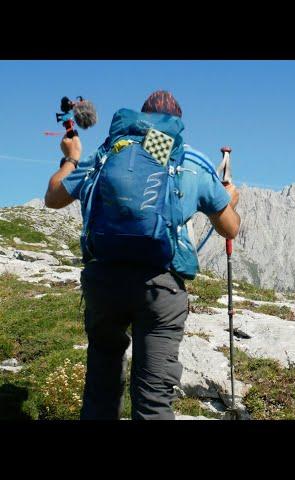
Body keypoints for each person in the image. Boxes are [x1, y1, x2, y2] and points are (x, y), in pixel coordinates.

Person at [44, 90, 240, 420]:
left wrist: (71, 157)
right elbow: (230, 229)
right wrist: (229, 198)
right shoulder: (187, 161)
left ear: (142, 117)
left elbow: (53, 197)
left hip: (104, 282)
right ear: (176, 123)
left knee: (101, 394)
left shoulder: (110, 152)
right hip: (160, 287)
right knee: (153, 402)